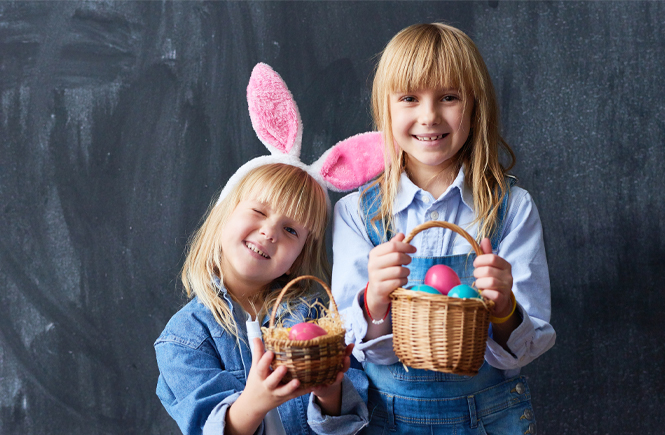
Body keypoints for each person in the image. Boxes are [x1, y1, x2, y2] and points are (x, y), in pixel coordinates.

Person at [332, 23, 556, 434]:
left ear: (474, 105)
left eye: (449, 97)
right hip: (388, 419)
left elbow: (525, 349)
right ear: (386, 108)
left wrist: (504, 307)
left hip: (488, 418)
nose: (429, 116)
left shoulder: (511, 209)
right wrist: (373, 300)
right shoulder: (356, 214)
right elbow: (352, 347)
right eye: (410, 98)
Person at [155, 62, 385, 435]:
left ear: (300, 255)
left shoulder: (317, 317)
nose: (269, 232)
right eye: (258, 212)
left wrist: (330, 392)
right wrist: (256, 400)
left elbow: (350, 424)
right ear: (224, 215)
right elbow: (210, 428)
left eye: (291, 230)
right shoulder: (185, 337)